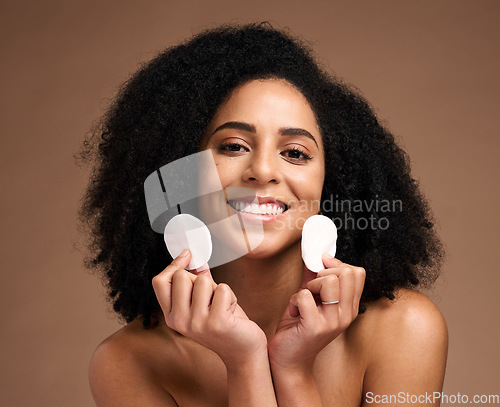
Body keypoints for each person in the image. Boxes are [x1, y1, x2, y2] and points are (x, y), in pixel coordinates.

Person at [77, 22, 448, 406]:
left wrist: (294, 371)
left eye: (295, 153)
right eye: (234, 146)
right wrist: (245, 363)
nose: (264, 171)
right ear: (183, 173)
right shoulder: (129, 362)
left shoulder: (405, 329)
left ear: (330, 183)